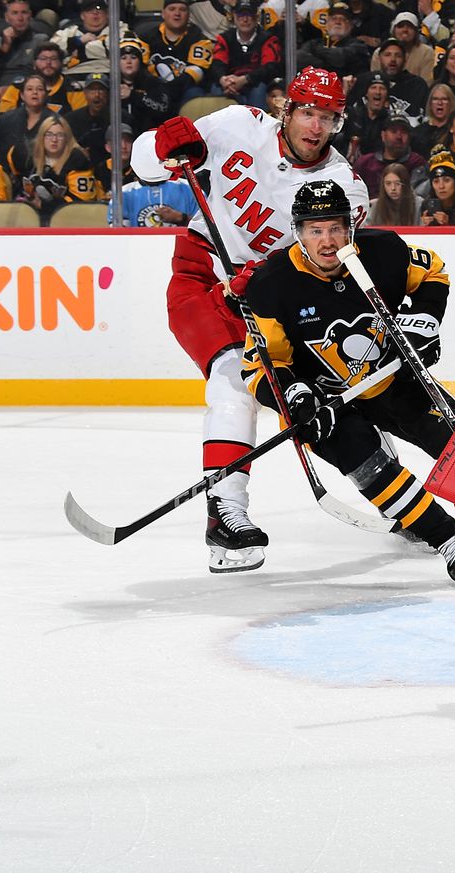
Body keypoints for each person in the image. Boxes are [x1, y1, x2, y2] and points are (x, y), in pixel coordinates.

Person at [129, 67, 370, 573]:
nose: (315, 126)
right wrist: (164, 146)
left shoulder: (345, 188)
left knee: (336, 396)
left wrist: (264, 280)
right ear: (287, 109)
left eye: (328, 117)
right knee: (232, 376)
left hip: (268, 303)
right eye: (308, 112)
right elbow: (144, 166)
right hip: (201, 275)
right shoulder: (239, 124)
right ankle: (225, 515)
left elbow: (321, 269)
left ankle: (397, 498)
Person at [240, 179, 455, 581]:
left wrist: (422, 322)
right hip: (327, 407)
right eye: (315, 231)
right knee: (368, 464)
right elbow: (261, 367)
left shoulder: (383, 251)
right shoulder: (272, 284)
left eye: (335, 228)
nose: (328, 240)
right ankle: (447, 538)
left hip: (395, 379)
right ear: (298, 233)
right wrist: (296, 394)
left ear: (350, 227)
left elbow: (432, 273)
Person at [13, 115, 101, 221]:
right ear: (42, 137)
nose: (54, 140)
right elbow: (14, 179)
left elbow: (81, 204)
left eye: (60, 135)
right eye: (49, 135)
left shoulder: (78, 160)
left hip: (67, 221)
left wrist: (44, 206)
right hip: (29, 218)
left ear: (67, 138)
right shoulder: (26, 155)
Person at [207, 0, 282, 109]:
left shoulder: (268, 39)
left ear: (256, 17)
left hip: (255, 82)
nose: (245, 19)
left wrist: (245, 79)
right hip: (230, 83)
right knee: (217, 88)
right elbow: (217, 64)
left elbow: (270, 67)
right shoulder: (224, 38)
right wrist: (224, 80)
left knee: (259, 89)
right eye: (241, 15)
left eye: (249, 14)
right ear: (234, 17)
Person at [138, 0, 215, 104]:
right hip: (153, 89)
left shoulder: (200, 39)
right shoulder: (146, 37)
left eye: (182, 10)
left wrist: (168, 89)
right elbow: (140, 67)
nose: (177, 14)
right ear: (163, 13)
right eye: (172, 9)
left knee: (194, 94)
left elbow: (197, 71)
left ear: (189, 14)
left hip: (185, 91)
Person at [0, 43, 85, 115]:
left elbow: (79, 120)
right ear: (34, 64)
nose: (48, 63)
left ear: (61, 63)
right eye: (43, 58)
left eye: (53, 59)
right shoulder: (19, 86)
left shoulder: (73, 88)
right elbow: (5, 118)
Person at [353, 110, 424, 197]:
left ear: (409, 137)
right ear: (383, 135)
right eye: (394, 131)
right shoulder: (364, 163)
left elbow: (417, 196)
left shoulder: (416, 162)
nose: (399, 136)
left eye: (404, 132)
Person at [296, 2, 371, 80]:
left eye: (343, 19)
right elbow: (299, 58)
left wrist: (317, 57)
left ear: (351, 25)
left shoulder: (359, 45)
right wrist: (327, 65)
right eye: (334, 18)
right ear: (327, 23)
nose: (338, 22)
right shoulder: (314, 43)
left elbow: (340, 58)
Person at [0, 0, 51, 91]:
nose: (20, 18)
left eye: (24, 13)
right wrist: (4, 48)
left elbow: (45, 76)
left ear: (30, 16)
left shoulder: (40, 41)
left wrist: (12, 90)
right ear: (6, 17)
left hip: (29, 92)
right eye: (14, 13)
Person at [109, 166, 199, 227]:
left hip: (181, 247)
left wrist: (181, 218)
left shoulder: (190, 188)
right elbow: (120, 235)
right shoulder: (123, 193)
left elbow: (206, 227)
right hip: (137, 249)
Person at [374, 11, 436, 81]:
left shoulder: (426, 52)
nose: (405, 30)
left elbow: (427, 83)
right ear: (393, 30)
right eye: (400, 26)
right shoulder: (379, 53)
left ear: (416, 31)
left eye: (410, 27)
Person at [367, 160, 421, 227]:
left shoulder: (418, 204)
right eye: (388, 183)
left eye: (397, 183)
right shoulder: (376, 206)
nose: (393, 188)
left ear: (406, 184)